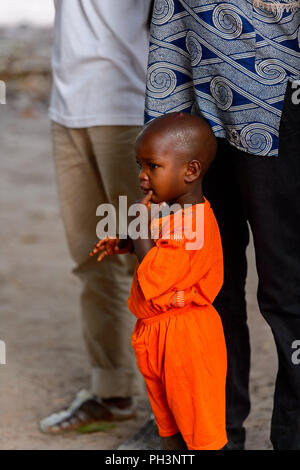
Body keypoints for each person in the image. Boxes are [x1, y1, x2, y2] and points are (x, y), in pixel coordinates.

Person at [145, 0, 300, 450]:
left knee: (289, 290)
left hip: (280, 109)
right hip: (192, 113)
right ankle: (212, 437)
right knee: (207, 291)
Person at [40, 0, 152, 433]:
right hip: (66, 112)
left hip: (126, 112)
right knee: (94, 260)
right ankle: (112, 392)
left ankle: (176, 411)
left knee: (150, 264)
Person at [92, 112, 228, 450]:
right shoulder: (176, 215)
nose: (142, 177)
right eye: (140, 165)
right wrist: (127, 241)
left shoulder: (195, 225)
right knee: (168, 423)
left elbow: (154, 274)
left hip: (185, 338)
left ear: (190, 171)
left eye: (153, 166)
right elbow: (161, 248)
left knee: (199, 429)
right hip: (155, 331)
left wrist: (138, 225)